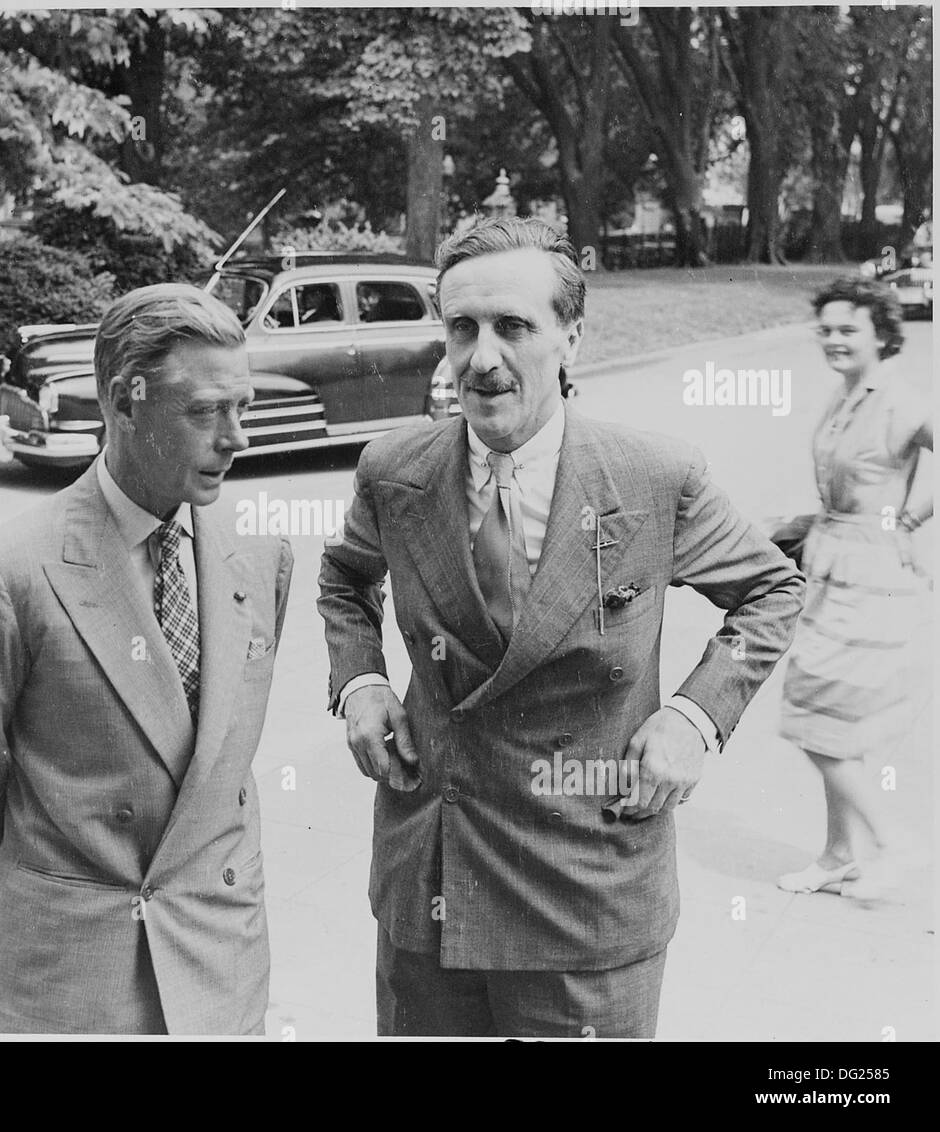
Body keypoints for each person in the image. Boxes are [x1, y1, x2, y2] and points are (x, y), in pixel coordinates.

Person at [317, 217, 805, 1038]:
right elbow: (343, 579)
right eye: (461, 327)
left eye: (513, 326)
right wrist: (360, 683)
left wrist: (696, 718)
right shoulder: (395, 472)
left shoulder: (653, 478)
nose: (482, 357)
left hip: (589, 895)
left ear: (570, 337)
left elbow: (772, 590)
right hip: (434, 885)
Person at [0, 284, 293, 1034]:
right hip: (70, 987)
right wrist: (46, 897)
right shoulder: (8, 574)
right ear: (125, 401)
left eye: (242, 407)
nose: (236, 437)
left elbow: (219, 777)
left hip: (223, 972)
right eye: (205, 411)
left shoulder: (261, 561)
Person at [776, 277, 932, 900]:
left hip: (870, 579)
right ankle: (840, 855)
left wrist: (915, 517)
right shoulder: (847, 394)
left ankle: (893, 841)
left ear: (881, 335)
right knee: (830, 720)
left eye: (849, 330)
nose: (834, 340)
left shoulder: (896, 398)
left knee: (815, 722)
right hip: (832, 566)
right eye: (827, 329)